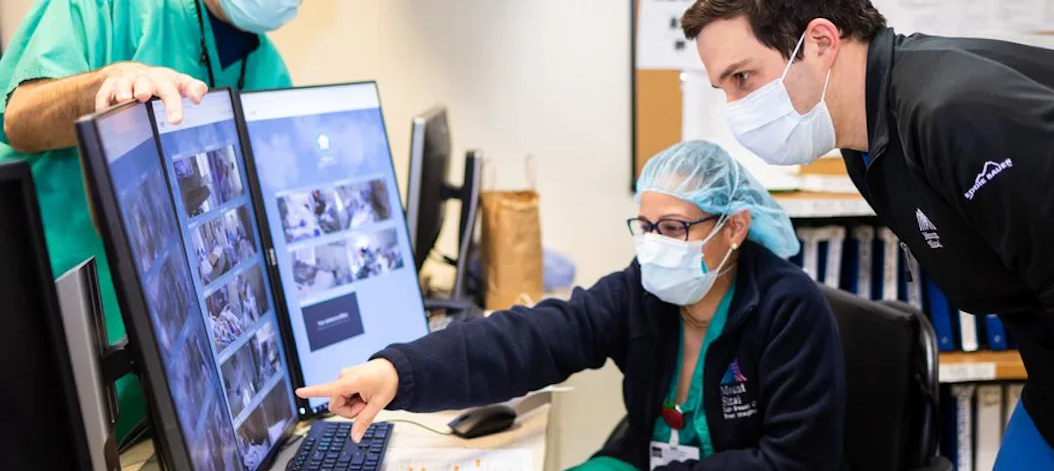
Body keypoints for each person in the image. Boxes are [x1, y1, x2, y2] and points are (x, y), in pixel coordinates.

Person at [680, 0, 1054, 470]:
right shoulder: (869, 138)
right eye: (724, 89)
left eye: (743, 78)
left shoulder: (960, 116)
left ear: (820, 42)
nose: (736, 108)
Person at [0, 0, 336, 440]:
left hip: (162, 384)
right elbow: (19, 117)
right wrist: (105, 87)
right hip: (44, 335)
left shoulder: (270, 73)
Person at [298, 140, 846, 470]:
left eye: (675, 228)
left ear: (735, 227)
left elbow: (799, 461)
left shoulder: (788, 309)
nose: (655, 243)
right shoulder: (643, 290)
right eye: (647, 226)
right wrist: (399, 372)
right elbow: (536, 337)